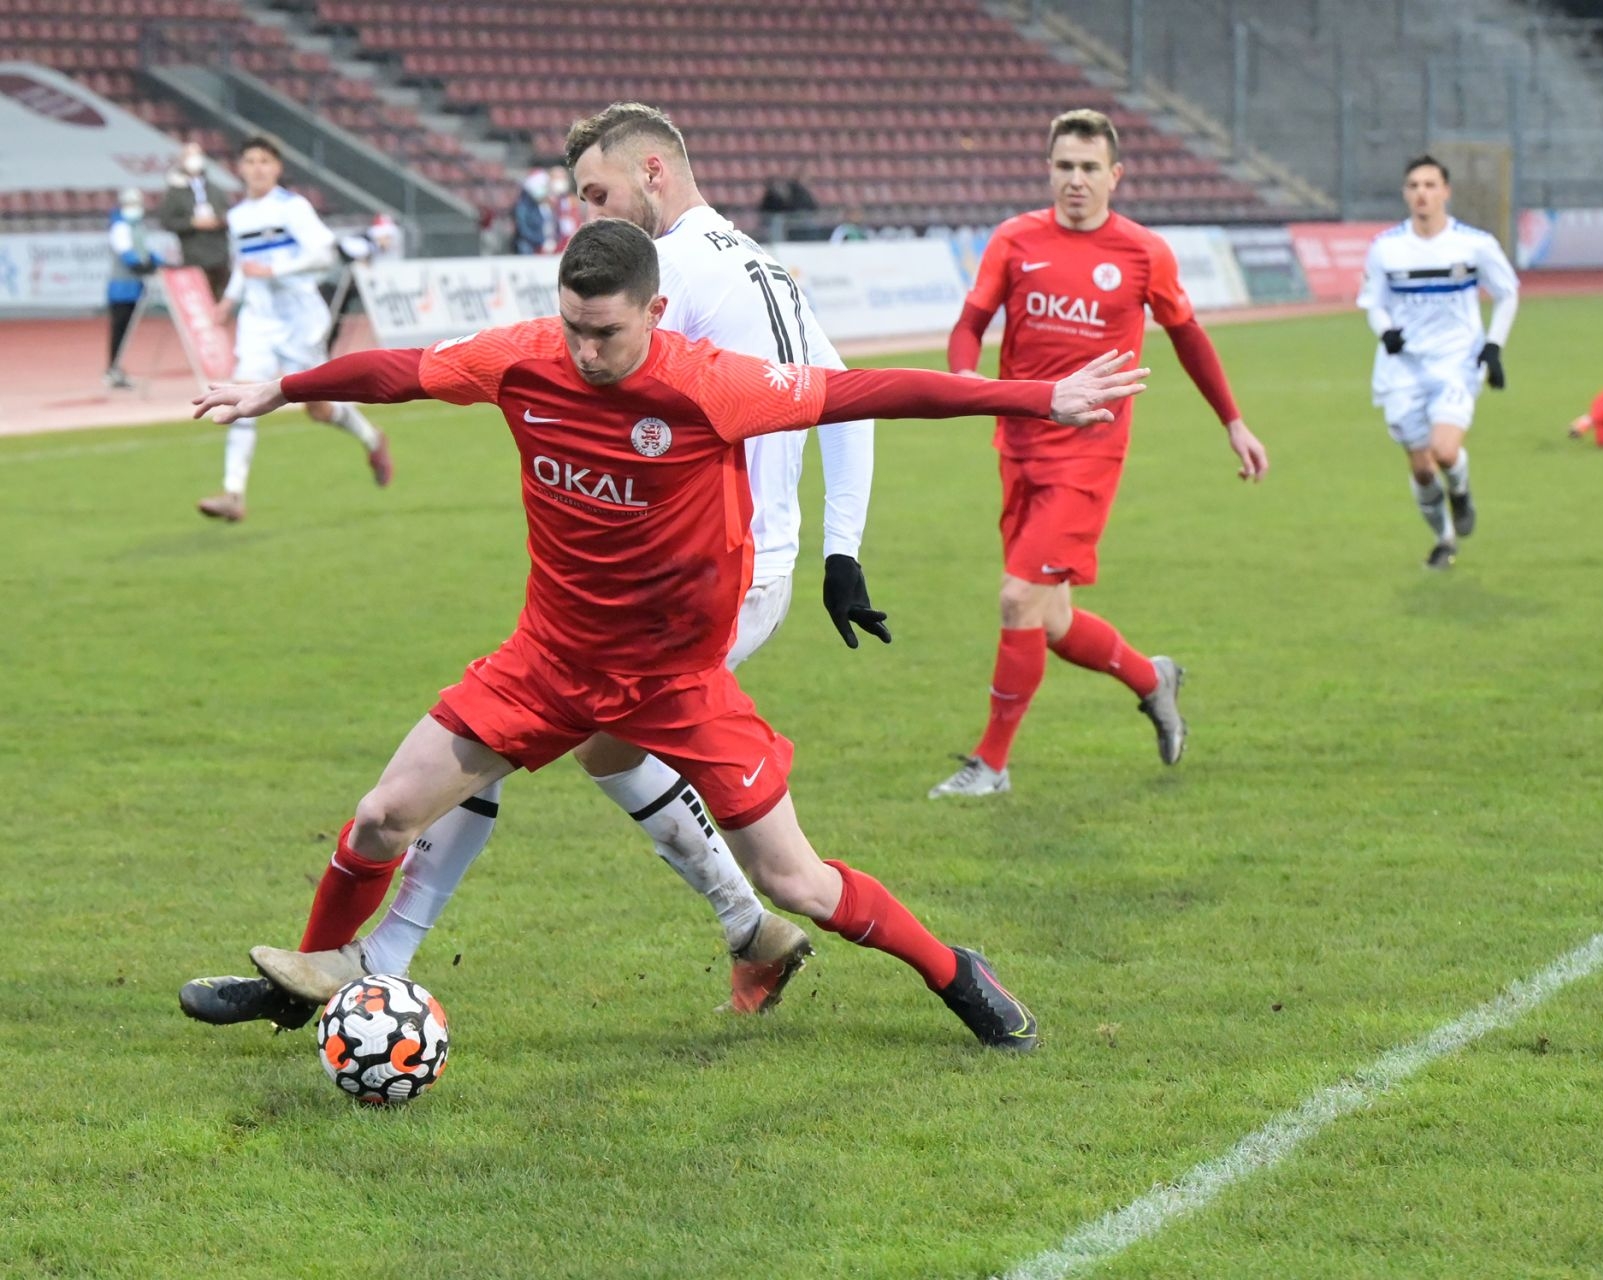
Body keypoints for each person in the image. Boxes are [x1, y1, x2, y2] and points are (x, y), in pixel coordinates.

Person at [180, 219, 1148, 1050]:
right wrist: (283, 387)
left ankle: (953, 970)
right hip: (545, 663)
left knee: (796, 881)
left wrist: (1039, 397)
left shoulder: (712, 387)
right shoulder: (524, 357)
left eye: (605, 331)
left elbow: (876, 393)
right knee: (383, 815)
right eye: (573, 325)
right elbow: (403, 371)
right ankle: (309, 978)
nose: (585, 350)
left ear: (655, 311)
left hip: (676, 681)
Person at [180, 102, 889, 1029]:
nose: (586, 215)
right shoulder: (756, 261)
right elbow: (848, 397)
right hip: (730, 562)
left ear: (653, 172)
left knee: (491, 746)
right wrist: (841, 550)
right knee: (583, 745)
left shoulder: (662, 274)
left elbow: (835, 396)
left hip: (699, 576)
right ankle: (750, 929)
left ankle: (358, 968)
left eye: (596, 193)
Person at [929, 108, 1268, 800]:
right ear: (1048, 170)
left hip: (1089, 456)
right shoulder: (1015, 239)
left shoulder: (1143, 253)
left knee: (1017, 598)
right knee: (1050, 620)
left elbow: (1189, 337)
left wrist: (1233, 421)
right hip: (1019, 444)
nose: (1075, 180)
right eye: (1064, 166)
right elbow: (971, 322)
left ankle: (991, 765)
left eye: (1089, 168)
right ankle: (1153, 679)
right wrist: (965, 377)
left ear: (1116, 175)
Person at [198, 135, 392, 523]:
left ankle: (372, 439)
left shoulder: (293, 208)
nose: (257, 168)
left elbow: (322, 254)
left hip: (301, 320)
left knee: (318, 409)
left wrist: (275, 270)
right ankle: (233, 493)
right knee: (243, 394)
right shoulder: (238, 216)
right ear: (240, 168)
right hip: (258, 319)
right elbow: (244, 263)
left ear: (277, 168)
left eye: (264, 161)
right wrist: (229, 300)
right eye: (250, 161)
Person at [1356, 155, 1519, 570]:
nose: (1421, 194)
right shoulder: (1386, 247)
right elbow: (1373, 303)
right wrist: (1386, 332)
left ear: (1446, 191)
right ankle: (1444, 539)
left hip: (1456, 362)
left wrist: (1493, 346)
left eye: (1430, 185)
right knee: (1423, 470)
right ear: (1405, 193)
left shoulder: (1474, 244)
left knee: (1445, 452)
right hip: (1403, 369)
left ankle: (1460, 492)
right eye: (1414, 186)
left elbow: (1508, 293)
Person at [157, 141, 230, 300]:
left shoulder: (216, 190)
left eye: (197, 155)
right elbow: (167, 221)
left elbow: (229, 217)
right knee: (200, 302)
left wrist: (218, 221)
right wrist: (192, 223)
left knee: (220, 302)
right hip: (193, 257)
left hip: (220, 258)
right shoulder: (176, 192)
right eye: (189, 155)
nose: (194, 159)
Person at [105, 187, 160, 390]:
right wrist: (145, 266)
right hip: (121, 286)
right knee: (119, 329)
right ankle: (112, 369)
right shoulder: (119, 227)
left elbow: (146, 251)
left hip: (134, 286)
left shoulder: (138, 227)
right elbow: (128, 254)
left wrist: (157, 262)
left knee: (126, 330)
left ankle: (116, 369)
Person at [514, 169, 554, 255]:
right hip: (530, 248)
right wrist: (542, 241)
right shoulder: (523, 207)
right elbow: (524, 231)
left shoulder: (548, 205)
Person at [549, 165, 582, 250]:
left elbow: (577, 220)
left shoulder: (573, 200)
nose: (560, 181)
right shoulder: (546, 201)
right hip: (552, 243)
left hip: (570, 242)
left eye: (562, 178)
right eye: (556, 178)